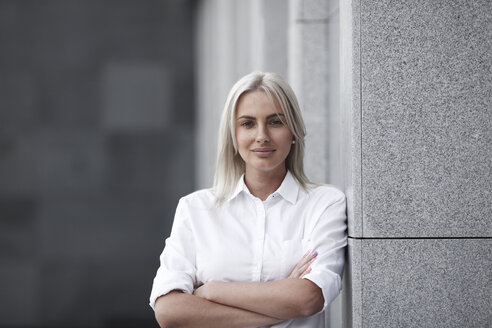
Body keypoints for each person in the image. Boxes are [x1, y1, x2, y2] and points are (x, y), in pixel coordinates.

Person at [149, 71, 347, 327]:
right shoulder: (195, 209)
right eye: (247, 123)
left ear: (294, 130)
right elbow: (169, 311)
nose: (261, 135)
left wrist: (211, 291)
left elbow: (308, 298)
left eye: (276, 122)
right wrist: (282, 298)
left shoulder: (324, 204)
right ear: (233, 135)